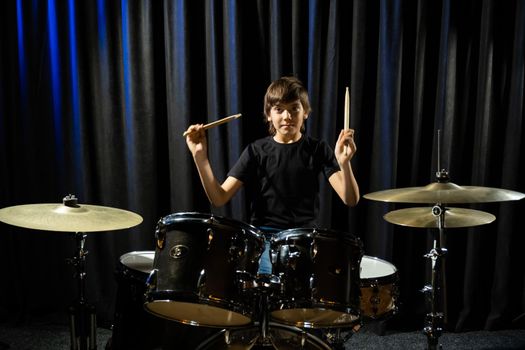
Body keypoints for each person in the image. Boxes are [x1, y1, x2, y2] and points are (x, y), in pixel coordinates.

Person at [184, 76, 359, 274]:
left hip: (305, 238)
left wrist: (345, 163)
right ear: (268, 115)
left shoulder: (318, 149)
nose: (287, 116)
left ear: (306, 113)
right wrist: (200, 157)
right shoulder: (256, 151)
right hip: (264, 239)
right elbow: (219, 197)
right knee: (267, 288)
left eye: (294, 108)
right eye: (279, 109)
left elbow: (350, 199)